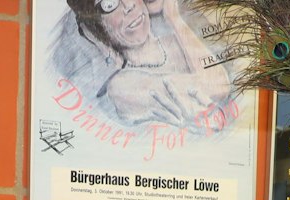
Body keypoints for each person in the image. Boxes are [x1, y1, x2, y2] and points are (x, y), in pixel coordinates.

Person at [49, 0, 231, 128]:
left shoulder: (179, 42)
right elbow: (217, 86)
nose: (129, 5)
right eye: (110, 4)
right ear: (95, 27)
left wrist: (174, 18)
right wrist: (173, 16)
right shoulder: (121, 86)